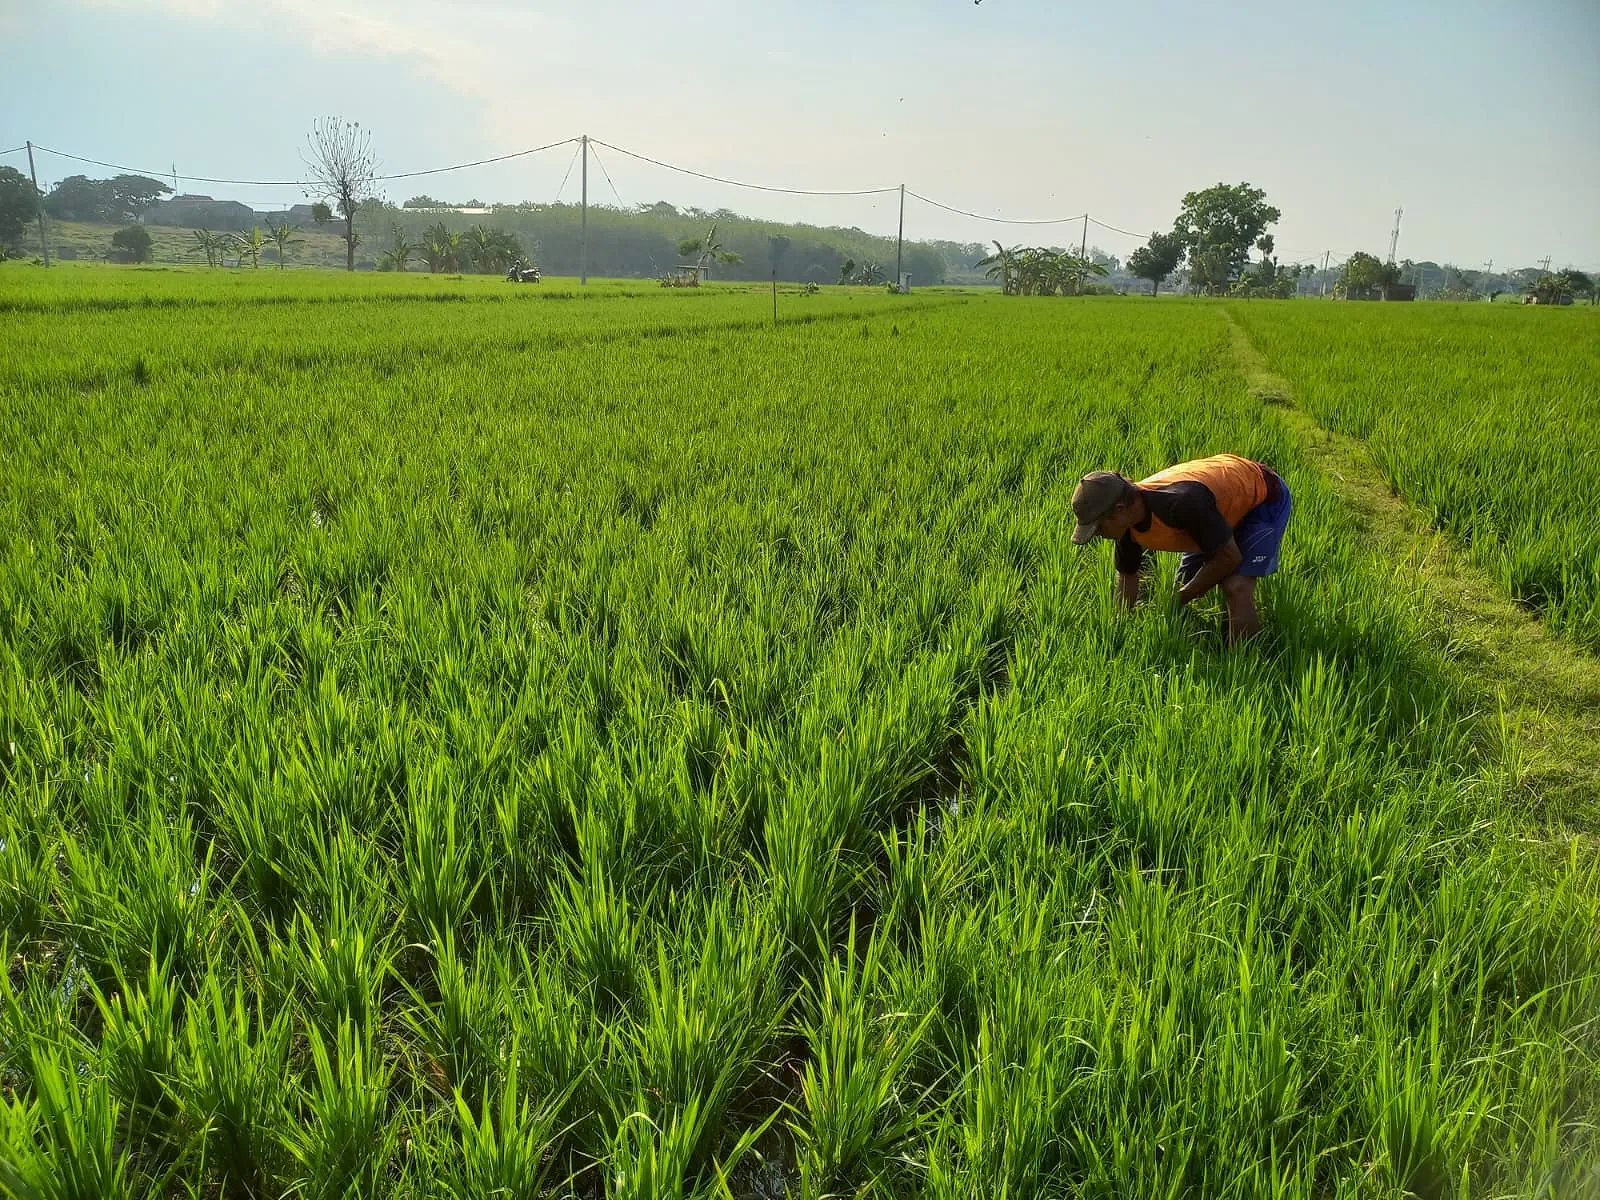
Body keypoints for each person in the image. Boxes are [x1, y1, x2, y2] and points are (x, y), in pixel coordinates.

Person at [1069, 452, 1292, 643]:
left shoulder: (1181, 503)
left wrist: (1183, 596)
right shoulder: (1128, 523)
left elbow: (1229, 558)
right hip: (1213, 508)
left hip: (1260, 495)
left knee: (1236, 586)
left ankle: (1244, 668)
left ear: (1119, 509)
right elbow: (1127, 576)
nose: (1098, 535)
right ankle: (1211, 638)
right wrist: (1118, 629)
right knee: (1186, 583)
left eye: (1098, 527)